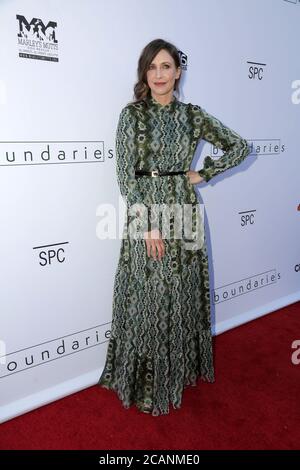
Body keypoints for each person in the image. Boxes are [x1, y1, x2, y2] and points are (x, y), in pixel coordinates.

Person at [98, 38, 250, 416]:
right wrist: (147, 223)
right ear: (144, 74)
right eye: (152, 67)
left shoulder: (193, 115)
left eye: (166, 66)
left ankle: (178, 373)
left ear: (178, 71)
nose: (159, 74)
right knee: (148, 296)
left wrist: (205, 173)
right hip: (146, 212)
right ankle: (145, 382)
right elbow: (124, 175)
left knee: (181, 294)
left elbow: (239, 146)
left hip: (184, 209)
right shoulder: (131, 115)